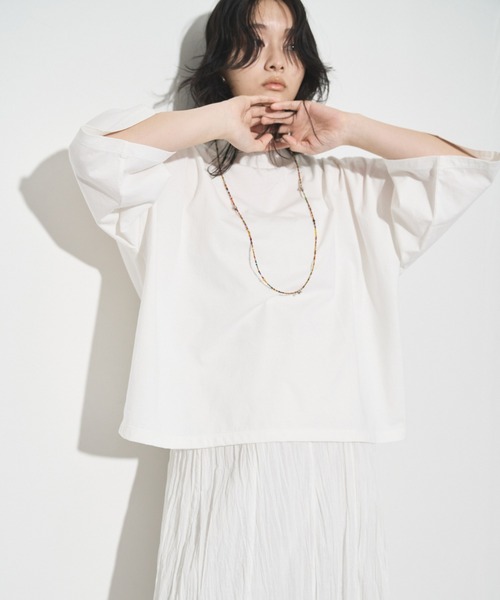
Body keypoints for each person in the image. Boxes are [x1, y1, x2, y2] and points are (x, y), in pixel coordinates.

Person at [68, 0, 500, 598]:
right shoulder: (175, 180)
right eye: (255, 41)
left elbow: (463, 168)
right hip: (220, 435)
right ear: (222, 59)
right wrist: (222, 119)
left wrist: (350, 129)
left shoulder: (348, 183)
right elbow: (96, 153)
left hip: (328, 439)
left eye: (292, 44)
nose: (276, 61)